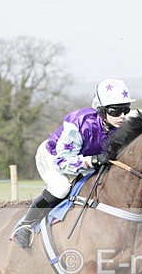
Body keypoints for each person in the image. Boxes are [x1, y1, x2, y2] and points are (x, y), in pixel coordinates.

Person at [11, 78, 135, 248]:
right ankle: (25, 225)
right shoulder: (79, 123)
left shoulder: (120, 129)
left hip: (82, 160)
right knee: (60, 188)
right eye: (116, 111)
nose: (122, 116)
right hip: (53, 157)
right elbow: (62, 162)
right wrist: (93, 160)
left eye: (126, 110)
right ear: (101, 110)